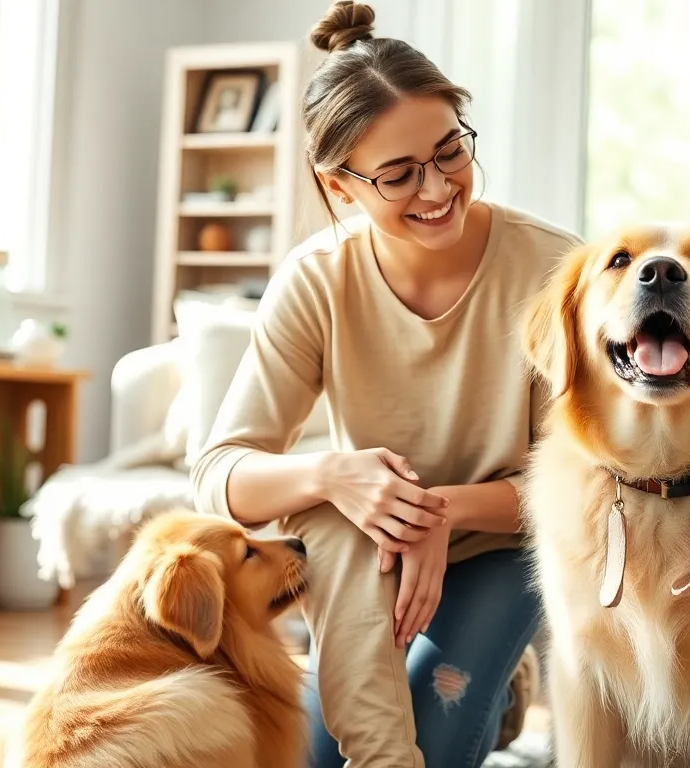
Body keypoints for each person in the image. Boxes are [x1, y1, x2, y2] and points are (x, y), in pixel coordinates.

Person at [188, 2, 582, 766]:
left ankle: (494, 686)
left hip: (509, 540)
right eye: (399, 174)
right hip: (368, 549)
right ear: (339, 189)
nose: (437, 189)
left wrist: (439, 511)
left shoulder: (552, 269)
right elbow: (218, 475)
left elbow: (591, 483)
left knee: (437, 731)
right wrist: (333, 472)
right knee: (315, 755)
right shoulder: (315, 282)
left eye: (449, 153)